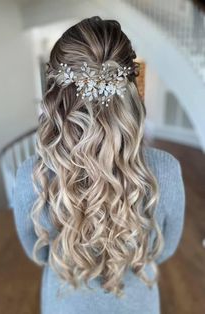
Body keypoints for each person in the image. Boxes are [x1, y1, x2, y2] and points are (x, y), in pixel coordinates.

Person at [13, 16, 185, 314]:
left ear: (54, 92)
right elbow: (165, 250)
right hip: (137, 302)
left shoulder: (33, 173)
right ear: (131, 91)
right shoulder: (165, 170)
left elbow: (38, 253)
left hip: (64, 300)